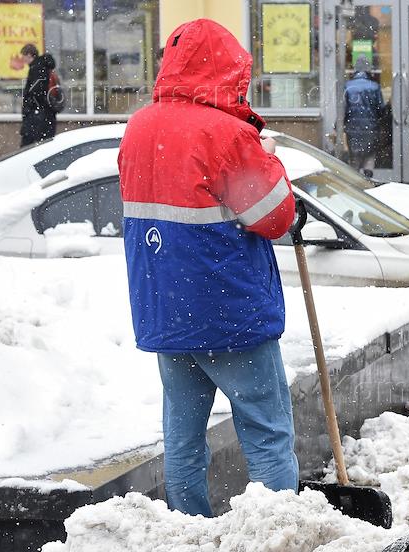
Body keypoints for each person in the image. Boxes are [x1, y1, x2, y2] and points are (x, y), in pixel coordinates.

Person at [118, 18, 298, 517]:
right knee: (267, 431)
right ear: (226, 71)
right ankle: (279, 535)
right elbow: (275, 216)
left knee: (182, 434)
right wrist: (267, 158)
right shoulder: (226, 133)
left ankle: (187, 528)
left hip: (165, 310)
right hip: (229, 311)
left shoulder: (139, 128)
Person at [344, 57, 385, 175]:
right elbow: (380, 108)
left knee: (354, 159)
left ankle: (355, 182)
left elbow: (343, 109)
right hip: (371, 128)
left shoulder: (348, 86)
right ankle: (368, 177)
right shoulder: (375, 86)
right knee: (370, 155)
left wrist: (339, 125)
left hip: (353, 129)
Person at [19, 44, 60, 146]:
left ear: (29, 55)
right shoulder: (43, 67)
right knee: (44, 144)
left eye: (24, 56)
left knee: (30, 147)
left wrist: (29, 107)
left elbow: (36, 92)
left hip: (38, 116)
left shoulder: (37, 68)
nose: (23, 59)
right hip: (45, 114)